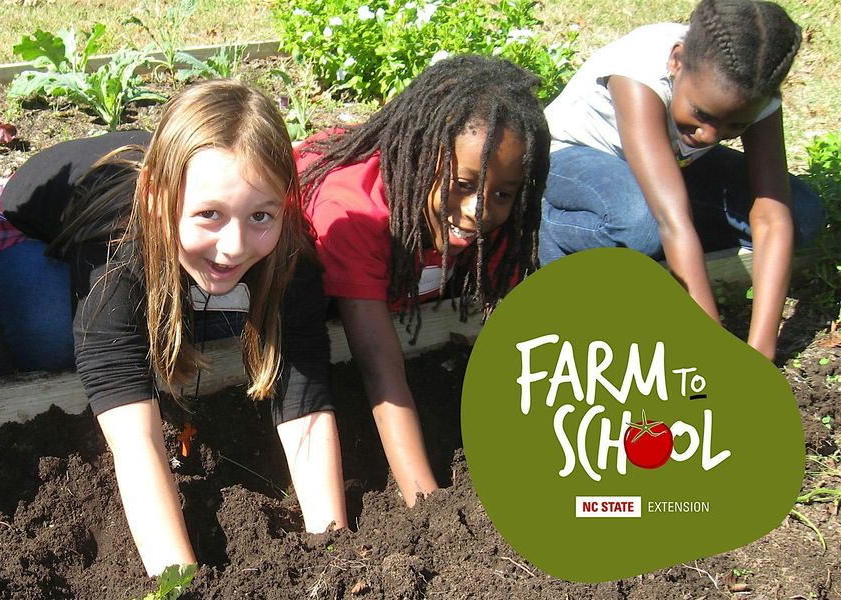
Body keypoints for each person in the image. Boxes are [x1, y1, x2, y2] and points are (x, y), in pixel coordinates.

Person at [0, 79, 346, 575]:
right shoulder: (116, 249)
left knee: (221, 304)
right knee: (50, 329)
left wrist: (331, 549)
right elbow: (135, 437)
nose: (234, 245)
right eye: (210, 215)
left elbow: (306, 402)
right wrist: (176, 581)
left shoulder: (288, 251)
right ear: (159, 197)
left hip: (167, 245)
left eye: (260, 215)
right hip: (26, 231)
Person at [298, 56, 550, 506]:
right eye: (462, 184)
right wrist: (429, 505)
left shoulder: (493, 217)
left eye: (502, 194)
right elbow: (380, 368)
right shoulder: (355, 211)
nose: (478, 211)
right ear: (418, 158)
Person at [539, 0, 824, 360]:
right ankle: (542, 223)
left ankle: (660, 257)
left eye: (735, 125)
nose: (709, 135)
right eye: (701, 114)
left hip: (670, 171)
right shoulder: (638, 71)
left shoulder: (754, 87)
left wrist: (760, 352)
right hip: (572, 161)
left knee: (802, 216)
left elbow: (772, 217)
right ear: (676, 61)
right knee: (642, 227)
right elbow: (671, 220)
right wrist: (713, 350)